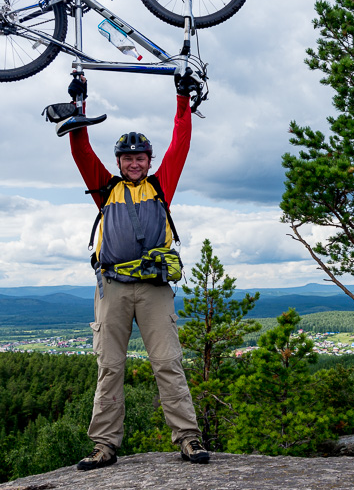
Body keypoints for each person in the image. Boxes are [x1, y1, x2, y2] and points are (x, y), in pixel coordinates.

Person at [57, 73, 209, 469]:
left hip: (155, 288)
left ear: (149, 160)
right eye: (127, 157)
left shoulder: (162, 185)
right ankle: (104, 446)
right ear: (119, 162)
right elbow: (80, 150)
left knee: (168, 363)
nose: (135, 162)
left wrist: (181, 97)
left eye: (140, 157)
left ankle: (189, 439)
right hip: (113, 287)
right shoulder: (105, 188)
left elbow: (182, 143)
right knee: (110, 367)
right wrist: (79, 106)